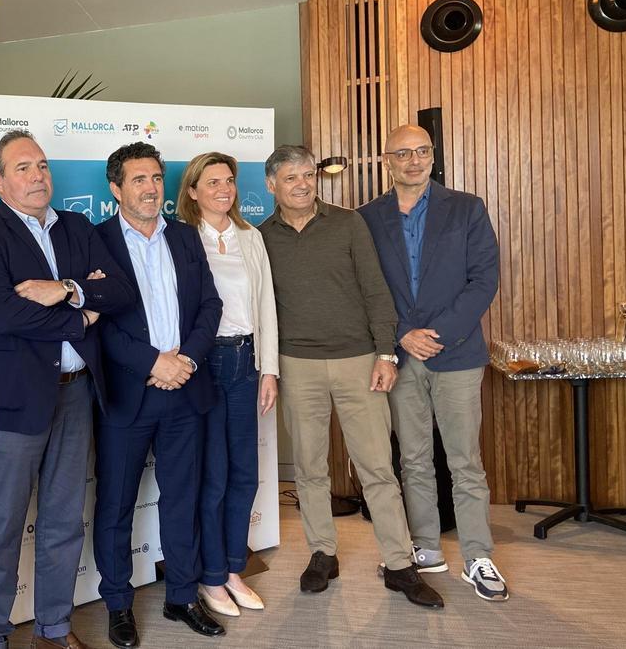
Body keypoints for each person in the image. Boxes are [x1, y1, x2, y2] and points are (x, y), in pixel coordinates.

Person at [0, 130, 134, 649]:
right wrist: (82, 316)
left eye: (42, 165)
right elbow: (5, 315)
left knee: (63, 521)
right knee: (2, 530)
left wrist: (64, 290)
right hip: (16, 402)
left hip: (78, 393)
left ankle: (54, 629)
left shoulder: (77, 226)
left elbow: (119, 289)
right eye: (22, 168)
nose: (37, 176)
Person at [257, 144, 442, 608]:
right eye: (291, 177)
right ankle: (323, 554)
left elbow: (377, 293)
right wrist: (270, 369)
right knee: (309, 468)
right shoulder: (260, 238)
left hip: (359, 361)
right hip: (297, 365)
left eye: (308, 175)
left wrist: (386, 354)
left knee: (377, 467)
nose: (302, 184)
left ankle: (400, 564)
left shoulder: (347, 223)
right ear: (271, 185)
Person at [358, 124, 505, 600]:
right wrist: (403, 333)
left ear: (432, 155)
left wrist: (436, 334)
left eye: (422, 151)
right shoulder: (366, 218)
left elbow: (483, 279)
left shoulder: (466, 207)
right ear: (387, 160)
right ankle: (425, 547)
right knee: (414, 458)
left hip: (455, 352)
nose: (414, 160)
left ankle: (478, 556)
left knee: (465, 462)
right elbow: (368, 287)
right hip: (399, 355)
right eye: (403, 153)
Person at [93, 143, 225, 647]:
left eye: (155, 178)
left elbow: (210, 305)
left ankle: (182, 596)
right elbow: (95, 323)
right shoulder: (95, 240)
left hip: (185, 390)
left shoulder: (187, 237)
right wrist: (154, 363)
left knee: (182, 499)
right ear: (116, 188)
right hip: (129, 396)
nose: (150, 188)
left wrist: (184, 360)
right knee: (116, 506)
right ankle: (118, 605)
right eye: (138, 179)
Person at [175, 151, 278, 617]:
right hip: (203, 364)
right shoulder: (180, 239)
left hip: (246, 360)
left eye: (229, 180)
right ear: (192, 190)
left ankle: (234, 568)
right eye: (212, 181)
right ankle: (210, 576)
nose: (224, 189)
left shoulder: (251, 237)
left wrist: (269, 368)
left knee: (244, 474)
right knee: (212, 477)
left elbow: (267, 308)